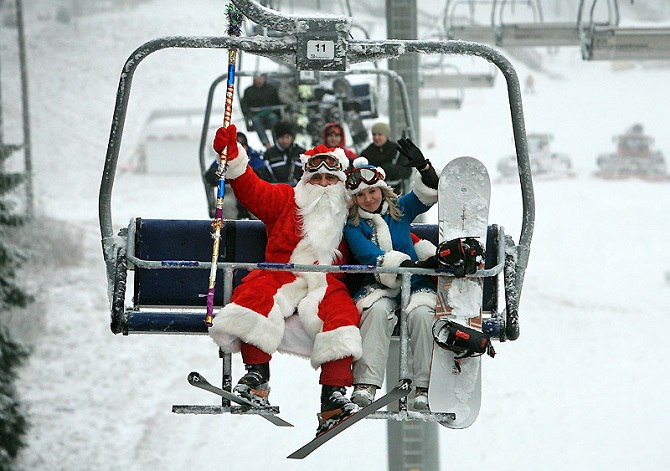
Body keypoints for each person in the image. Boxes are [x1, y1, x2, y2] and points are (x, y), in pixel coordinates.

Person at [208, 124, 362, 435]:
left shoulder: (352, 209)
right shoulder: (285, 200)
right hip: (280, 273)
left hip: (325, 282)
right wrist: (234, 157)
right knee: (255, 296)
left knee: (342, 315)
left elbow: (387, 226)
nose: (321, 184)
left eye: (329, 178)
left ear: (340, 182)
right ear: (306, 178)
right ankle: (256, 377)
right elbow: (252, 190)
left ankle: (332, 397)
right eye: (315, 178)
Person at [342, 139, 440, 411]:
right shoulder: (353, 226)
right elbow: (367, 255)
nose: (368, 199)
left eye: (373, 192)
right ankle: (366, 382)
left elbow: (428, 194)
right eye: (361, 196)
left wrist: (424, 167)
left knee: (423, 315)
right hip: (379, 285)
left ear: (382, 191)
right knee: (376, 312)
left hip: (416, 285)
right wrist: (408, 263)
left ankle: (425, 385)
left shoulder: (400, 211)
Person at [205, 131, 264, 219]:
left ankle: (256, 229)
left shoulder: (253, 157)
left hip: (250, 192)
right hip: (230, 191)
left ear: (246, 147)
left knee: (258, 205)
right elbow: (209, 176)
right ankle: (231, 230)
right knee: (226, 205)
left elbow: (262, 172)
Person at [360, 122, 412, 194]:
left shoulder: (398, 150)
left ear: (386, 136)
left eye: (380, 134)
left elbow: (407, 171)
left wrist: (390, 170)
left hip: (395, 192)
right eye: (374, 134)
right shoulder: (366, 153)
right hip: (374, 193)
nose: (376, 137)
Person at [256, 121, 306, 185]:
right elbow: (265, 175)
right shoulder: (269, 154)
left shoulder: (301, 152)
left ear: (292, 137)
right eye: (281, 137)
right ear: (277, 138)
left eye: (287, 137)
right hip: (276, 189)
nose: (285, 141)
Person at [241, 74, 282, 149]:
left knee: (274, 119)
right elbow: (245, 105)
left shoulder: (271, 89)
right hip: (256, 114)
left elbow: (277, 103)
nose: (259, 81)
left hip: (270, 113)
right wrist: (249, 114)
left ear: (264, 79)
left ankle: (277, 142)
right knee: (256, 121)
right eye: (257, 79)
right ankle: (266, 144)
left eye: (260, 78)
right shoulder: (249, 91)